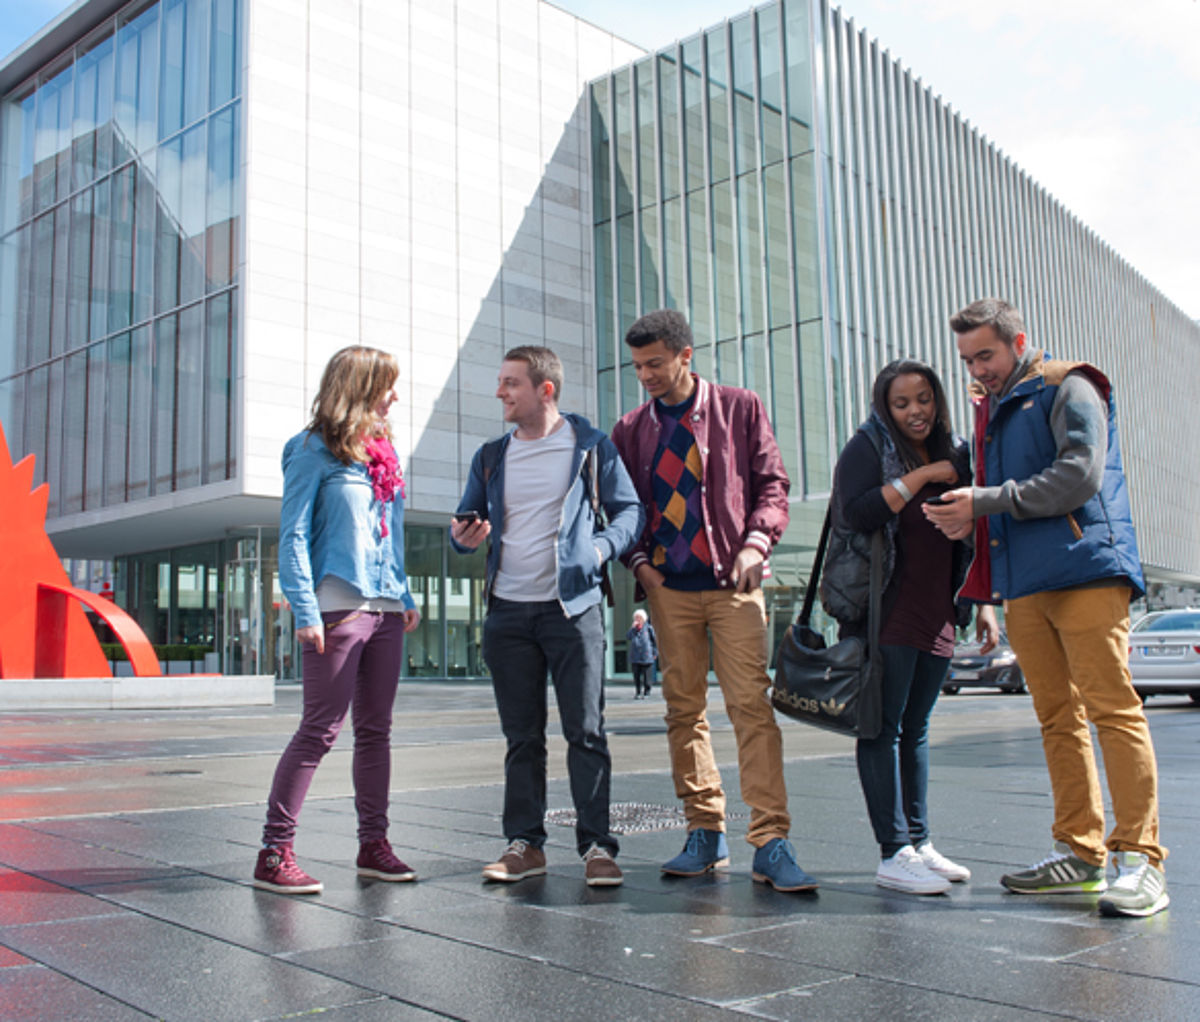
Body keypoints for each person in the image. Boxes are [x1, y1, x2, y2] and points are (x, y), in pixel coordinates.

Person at [926, 297, 1168, 918]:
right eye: (967, 360)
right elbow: (999, 508)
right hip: (1025, 586)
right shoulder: (993, 409)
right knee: (1057, 719)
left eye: (986, 354)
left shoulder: (1070, 384)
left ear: (1018, 340)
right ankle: (1081, 855)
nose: (977, 369)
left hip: (1086, 570)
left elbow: (1080, 474)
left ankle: (1140, 861)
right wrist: (981, 572)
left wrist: (984, 500)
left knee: (1113, 711)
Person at [610, 309, 816, 893]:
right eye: (638, 366)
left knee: (751, 707)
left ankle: (771, 840)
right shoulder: (630, 429)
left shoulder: (739, 406)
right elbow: (622, 510)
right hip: (670, 591)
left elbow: (772, 485)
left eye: (655, 363)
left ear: (685, 355)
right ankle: (705, 831)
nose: (646, 375)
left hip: (734, 587)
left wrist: (756, 544)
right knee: (682, 710)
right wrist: (641, 568)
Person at [451, 346, 643, 887]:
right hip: (508, 613)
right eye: (501, 381)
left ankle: (598, 848)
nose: (500, 392)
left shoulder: (589, 446)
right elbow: (467, 523)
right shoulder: (490, 455)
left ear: (545, 389)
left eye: (511, 382)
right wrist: (461, 535)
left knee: (585, 731)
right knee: (522, 738)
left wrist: (600, 550)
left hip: (573, 610)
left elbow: (631, 512)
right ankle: (525, 845)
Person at [255, 345, 421, 895]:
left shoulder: (383, 454)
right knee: (320, 730)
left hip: (387, 608)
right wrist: (305, 609)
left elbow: (390, 533)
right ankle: (275, 852)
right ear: (361, 386)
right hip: (337, 605)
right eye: (388, 385)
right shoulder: (310, 451)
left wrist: (406, 593)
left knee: (376, 731)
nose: (396, 396)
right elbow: (294, 535)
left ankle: (374, 845)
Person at [824, 360, 974, 895]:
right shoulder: (868, 445)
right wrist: (924, 476)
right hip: (886, 608)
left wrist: (984, 605)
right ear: (884, 407)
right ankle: (892, 853)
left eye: (924, 399)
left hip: (938, 609)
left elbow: (970, 535)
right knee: (881, 728)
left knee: (918, 728)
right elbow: (856, 513)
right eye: (902, 403)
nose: (916, 411)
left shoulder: (957, 450)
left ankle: (919, 841)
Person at [626, 609, 658, 698]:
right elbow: (628, 637)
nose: (637, 619)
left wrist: (655, 653)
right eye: (636, 617)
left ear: (643, 618)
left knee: (647, 676)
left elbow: (654, 641)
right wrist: (632, 628)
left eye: (639, 617)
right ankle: (638, 691)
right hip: (635, 656)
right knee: (636, 675)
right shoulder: (633, 629)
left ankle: (647, 691)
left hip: (646, 655)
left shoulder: (648, 628)